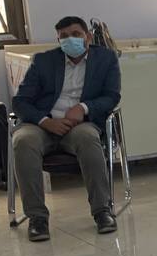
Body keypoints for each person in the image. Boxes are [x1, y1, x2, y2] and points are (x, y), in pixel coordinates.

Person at [11, 16, 122, 241]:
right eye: (64, 36)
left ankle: (102, 211)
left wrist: (83, 107)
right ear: (58, 40)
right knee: (23, 140)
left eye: (76, 34)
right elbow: (20, 101)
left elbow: (111, 96)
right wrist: (45, 121)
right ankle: (37, 218)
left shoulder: (106, 58)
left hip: (79, 125)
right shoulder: (43, 61)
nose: (70, 39)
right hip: (42, 124)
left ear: (87, 37)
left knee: (88, 138)